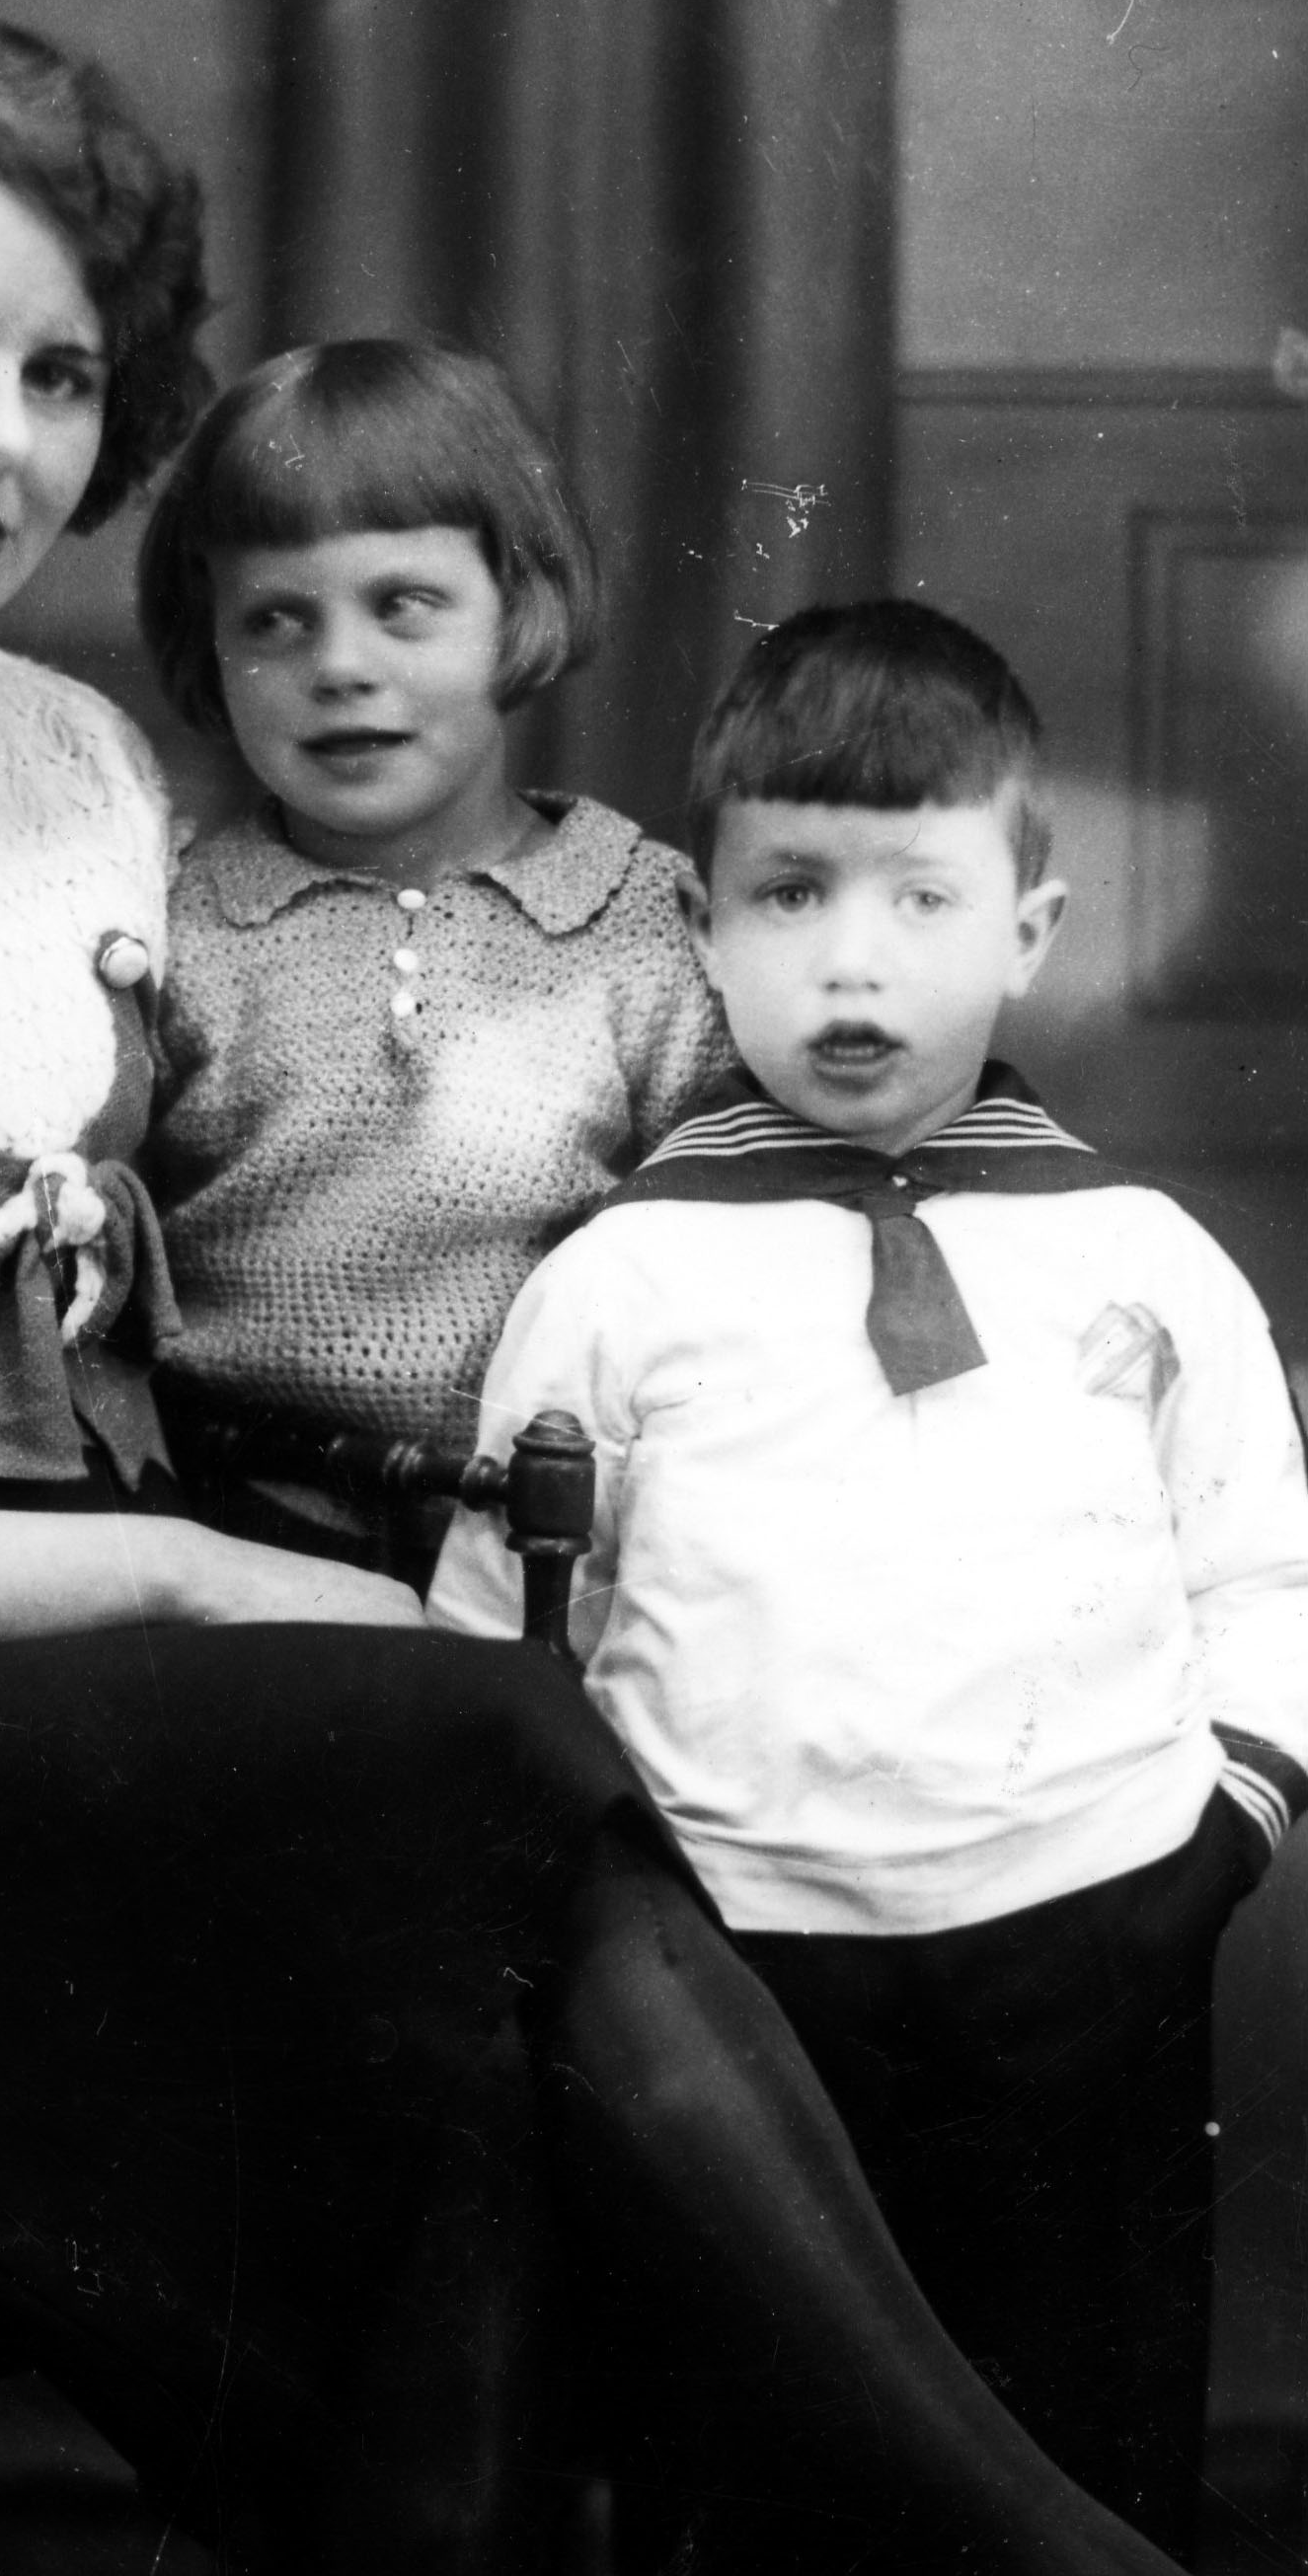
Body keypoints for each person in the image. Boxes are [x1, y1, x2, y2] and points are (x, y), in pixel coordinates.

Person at [0, 20, 1193, 2568]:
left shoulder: (57, 754)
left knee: (443, 1934)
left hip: (30, 1707)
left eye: (55, 373)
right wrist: (200, 1574)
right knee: (452, 1785)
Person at [429, 599, 1308, 2568]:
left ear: (1028, 930)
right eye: (787, 891)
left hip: (1092, 1940)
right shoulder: (621, 1278)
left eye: (920, 897)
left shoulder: (1137, 1256)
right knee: (755, 2462)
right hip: (743, 1974)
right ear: (701, 925)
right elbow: (503, 1633)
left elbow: (1262, 1562)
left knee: (1077, 2438)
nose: (850, 958)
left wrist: (1208, 1847)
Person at [137, 341, 731, 1581]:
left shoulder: (643, 923)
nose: (340, 666)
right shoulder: (173, 925)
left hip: (548, 1551)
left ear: (518, 607)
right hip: (229, 1536)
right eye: (274, 619)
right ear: (210, 645)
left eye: (404, 603)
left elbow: (724, 1262)